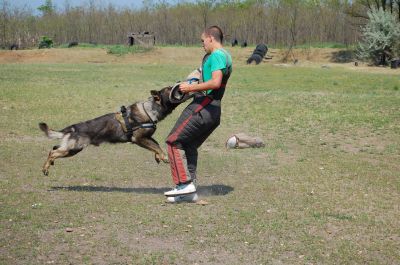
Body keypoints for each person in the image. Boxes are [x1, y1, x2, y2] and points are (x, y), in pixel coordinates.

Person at [164, 25, 233, 203]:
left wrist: (190, 87)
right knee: (188, 145)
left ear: (211, 38)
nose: (202, 44)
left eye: (203, 41)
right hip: (214, 111)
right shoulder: (225, 56)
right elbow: (205, 74)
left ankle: (183, 184)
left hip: (204, 106)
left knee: (173, 141)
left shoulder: (217, 55)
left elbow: (215, 82)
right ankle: (189, 192)